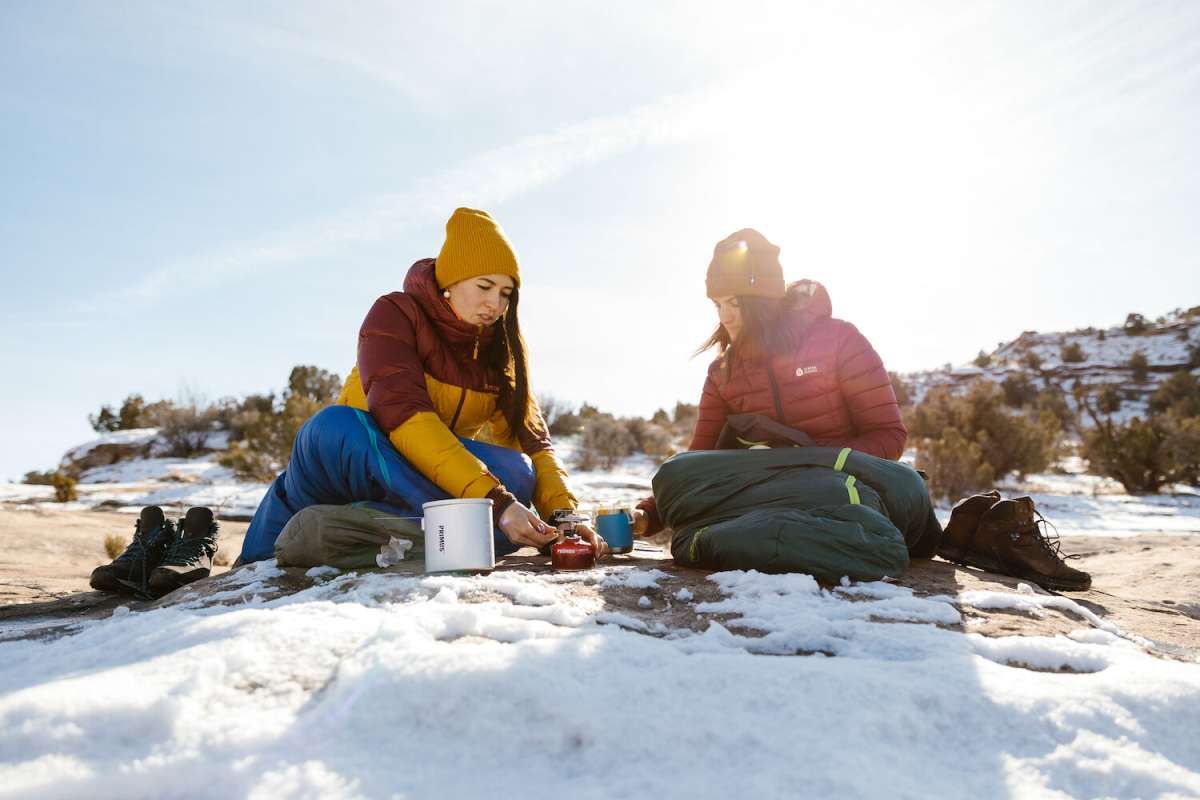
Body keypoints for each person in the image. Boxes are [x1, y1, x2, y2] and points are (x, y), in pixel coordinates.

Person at [239, 208, 607, 564]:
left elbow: (534, 444)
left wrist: (564, 517)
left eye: (506, 293)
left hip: (415, 480)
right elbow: (406, 420)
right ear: (450, 283)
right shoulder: (396, 313)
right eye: (484, 286)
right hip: (344, 458)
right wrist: (495, 503)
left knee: (520, 472)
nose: (495, 303)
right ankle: (456, 531)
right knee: (337, 423)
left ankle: (358, 527)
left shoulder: (501, 354)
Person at [637, 228, 906, 537]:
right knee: (679, 471)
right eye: (717, 304)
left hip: (843, 494)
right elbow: (700, 460)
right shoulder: (721, 373)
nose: (724, 317)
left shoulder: (839, 341)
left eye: (735, 303)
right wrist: (647, 514)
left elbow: (890, 437)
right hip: (765, 499)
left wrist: (803, 458)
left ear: (763, 300)